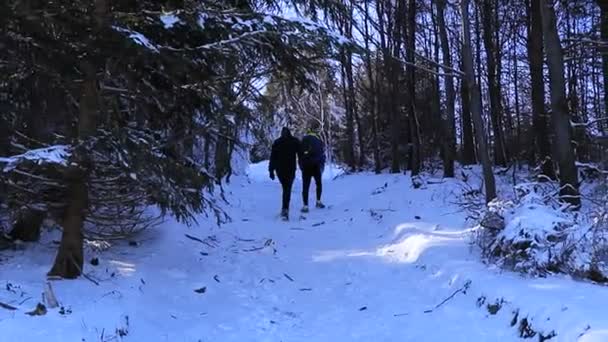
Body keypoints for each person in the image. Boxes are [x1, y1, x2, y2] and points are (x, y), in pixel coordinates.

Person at [269, 127, 300, 220]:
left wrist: (271, 170)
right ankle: (285, 208)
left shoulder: (277, 142)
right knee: (287, 188)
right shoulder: (294, 141)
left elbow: (272, 157)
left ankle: (285, 208)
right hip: (290, 168)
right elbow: (301, 153)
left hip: (280, 169)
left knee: (285, 187)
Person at [299, 128, 326, 212]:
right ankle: (318, 201)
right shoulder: (319, 141)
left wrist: (301, 165)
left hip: (306, 166)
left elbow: (300, 154)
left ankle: (305, 206)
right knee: (318, 184)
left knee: (305, 186)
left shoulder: (303, 140)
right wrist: (322, 166)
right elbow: (322, 155)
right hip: (316, 165)